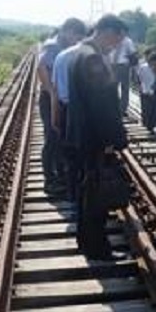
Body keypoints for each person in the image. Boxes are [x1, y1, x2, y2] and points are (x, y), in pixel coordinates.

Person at [66, 14, 129, 260]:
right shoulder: (92, 58)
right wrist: (114, 140)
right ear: (105, 31)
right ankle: (98, 250)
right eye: (116, 39)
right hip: (93, 138)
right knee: (96, 196)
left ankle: (86, 243)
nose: (115, 45)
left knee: (87, 192)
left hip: (81, 135)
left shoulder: (78, 53)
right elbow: (101, 105)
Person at [37, 18, 87, 196]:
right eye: (76, 36)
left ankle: (61, 176)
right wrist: (52, 94)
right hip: (50, 98)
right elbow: (41, 68)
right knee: (52, 137)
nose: (77, 41)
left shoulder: (64, 46)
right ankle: (50, 181)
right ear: (67, 31)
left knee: (61, 137)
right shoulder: (53, 45)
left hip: (60, 98)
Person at [111, 35, 137, 115]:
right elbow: (133, 53)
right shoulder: (127, 40)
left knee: (120, 88)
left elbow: (132, 54)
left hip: (119, 65)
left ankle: (120, 108)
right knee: (121, 88)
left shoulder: (125, 40)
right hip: (117, 65)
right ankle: (119, 108)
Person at [135, 48, 156, 132]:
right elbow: (138, 78)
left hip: (154, 93)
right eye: (147, 56)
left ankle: (151, 127)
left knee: (154, 112)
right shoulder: (142, 67)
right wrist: (140, 88)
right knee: (145, 111)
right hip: (145, 92)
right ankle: (146, 128)